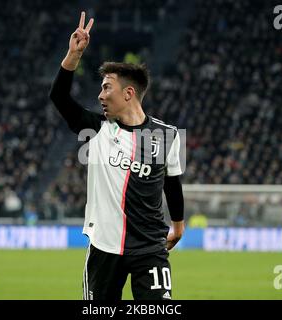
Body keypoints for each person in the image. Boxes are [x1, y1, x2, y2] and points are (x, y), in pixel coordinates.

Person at [49, 12, 185, 300]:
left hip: (150, 248)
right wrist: (73, 55)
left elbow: (172, 183)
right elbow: (59, 97)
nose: (100, 95)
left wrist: (178, 226)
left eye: (106, 87)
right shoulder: (96, 129)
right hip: (105, 248)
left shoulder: (168, 134)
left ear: (128, 93)